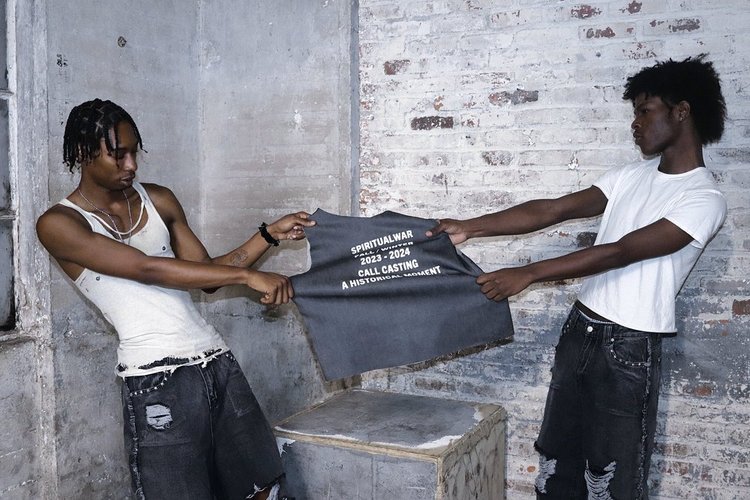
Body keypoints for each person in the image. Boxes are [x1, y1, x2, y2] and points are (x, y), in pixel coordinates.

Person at [427, 55, 727, 499]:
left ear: (681, 111)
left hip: (629, 346)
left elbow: (620, 251)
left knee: (613, 477)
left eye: (645, 111)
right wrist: (471, 227)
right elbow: (554, 209)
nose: (636, 123)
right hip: (580, 330)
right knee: (557, 464)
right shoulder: (630, 176)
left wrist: (529, 273)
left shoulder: (704, 198)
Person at [36, 98, 312, 500]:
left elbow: (206, 276)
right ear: (82, 152)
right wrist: (248, 276)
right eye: (118, 154)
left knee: (263, 490)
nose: (131, 165)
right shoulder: (59, 224)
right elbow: (147, 268)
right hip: (156, 381)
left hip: (217, 363)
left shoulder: (159, 199)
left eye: (134, 152)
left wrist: (267, 235)